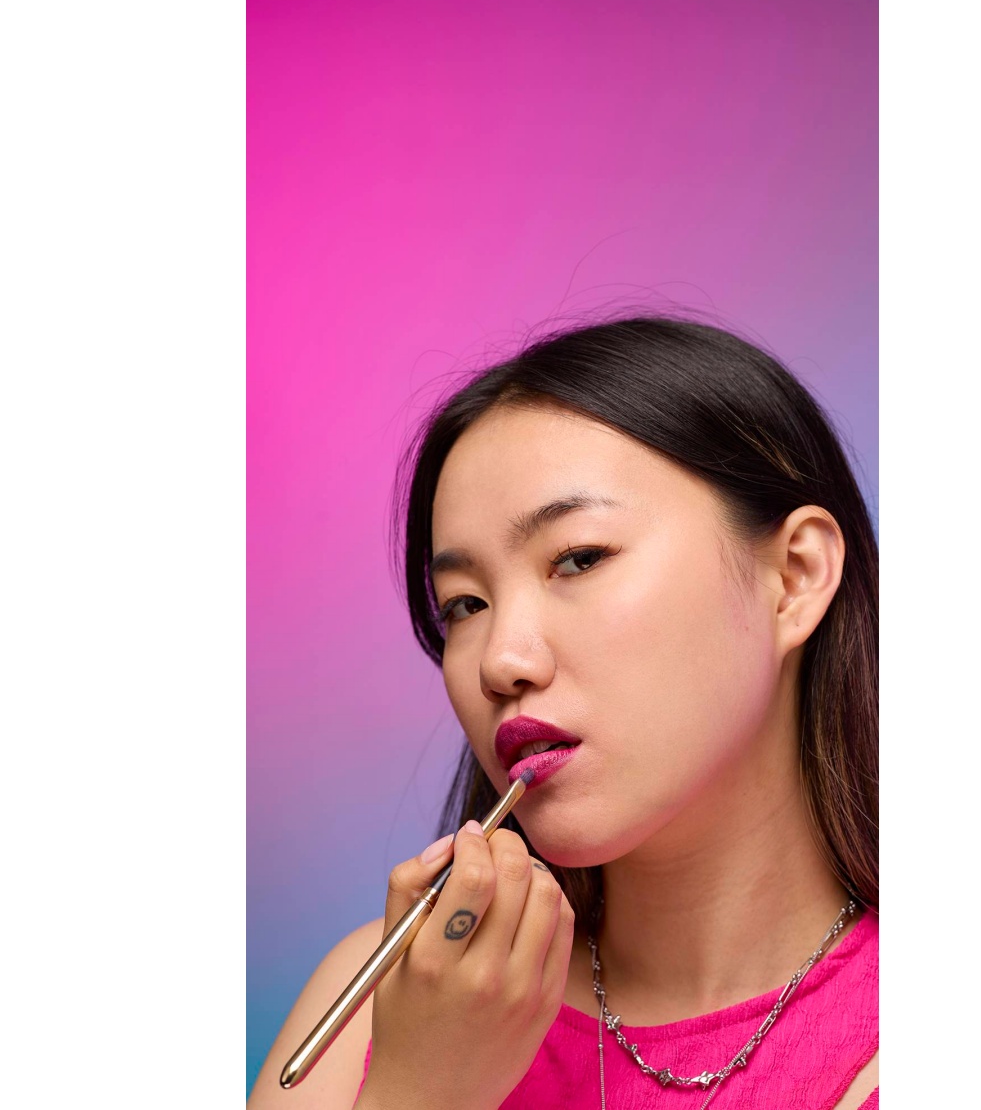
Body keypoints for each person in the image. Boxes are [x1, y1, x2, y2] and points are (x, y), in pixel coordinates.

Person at [248, 316, 879, 1109]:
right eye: (464, 603)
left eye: (578, 558)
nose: (500, 660)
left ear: (793, 576)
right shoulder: (388, 1002)